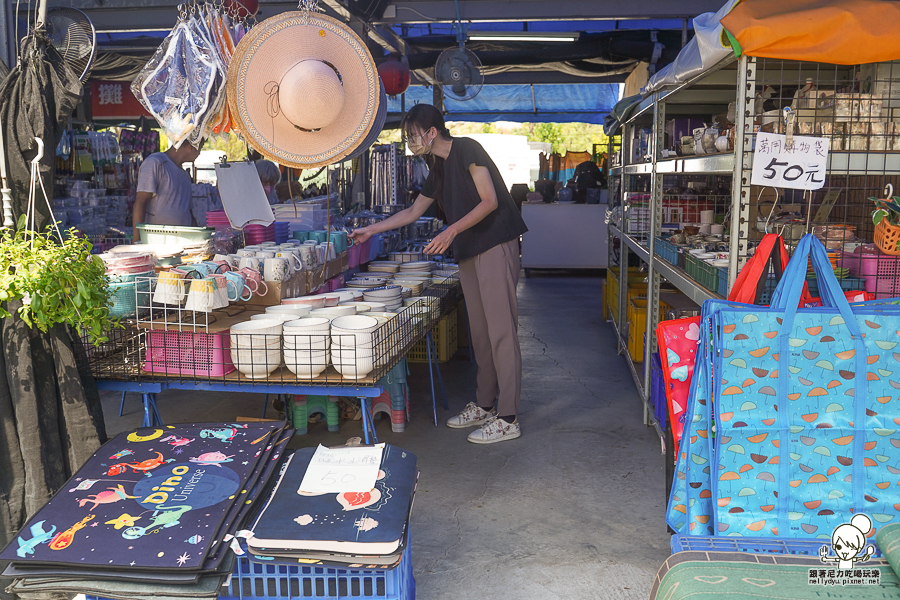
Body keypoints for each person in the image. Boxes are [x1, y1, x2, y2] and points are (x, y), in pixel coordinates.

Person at [349, 104, 528, 445]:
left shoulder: (467, 150)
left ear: (432, 133)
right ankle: (486, 404)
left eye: (413, 135)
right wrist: (371, 230)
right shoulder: (438, 167)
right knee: (481, 334)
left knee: (501, 332)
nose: (410, 141)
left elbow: (489, 200)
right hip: (470, 251)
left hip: (495, 245)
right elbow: (414, 211)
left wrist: (450, 232)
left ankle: (508, 417)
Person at [132, 140, 203, 241]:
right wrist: (136, 241)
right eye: (200, 147)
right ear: (190, 146)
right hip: (156, 241)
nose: (199, 153)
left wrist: (200, 238)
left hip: (182, 242)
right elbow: (140, 203)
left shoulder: (185, 175)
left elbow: (188, 212)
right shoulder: (155, 162)